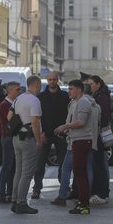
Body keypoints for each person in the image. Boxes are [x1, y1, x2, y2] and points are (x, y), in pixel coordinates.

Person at [54, 80, 97, 215]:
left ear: (79, 90)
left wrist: (65, 126)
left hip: (82, 141)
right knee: (79, 173)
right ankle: (82, 202)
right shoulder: (76, 103)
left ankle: (84, 204)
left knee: (81, 174)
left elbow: (81, 122)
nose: (69, 91)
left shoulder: (83, 102)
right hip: (76, 140)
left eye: (71, 89)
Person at [9, 75, 43, 214]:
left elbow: (9, 117)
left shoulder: (18, 98)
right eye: (39, 85)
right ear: (36, 85)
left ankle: (14, 200)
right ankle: (21, 203)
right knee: (27, 173)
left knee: (19, 171)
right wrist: (38, 140)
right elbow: (35, 122)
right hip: (28, 139)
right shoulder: (34, 101)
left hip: (17, 138)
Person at [33, 71, 69, 199]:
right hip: (45, 134)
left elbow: (69, 115)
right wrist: (40, 133)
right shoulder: (41, 97)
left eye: (54, 79)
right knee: (39, 163)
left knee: (63, 163)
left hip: (61, 134)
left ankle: (65, 188)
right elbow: (37, 117)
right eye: (50, 80)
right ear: (47, 81)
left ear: (57, 80)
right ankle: (37, 188)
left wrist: (66, 129)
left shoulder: (65, 96)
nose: (52, 82)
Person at [87, 75, 112, 204]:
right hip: (98, 134)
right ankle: (100, 192)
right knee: (98, 164)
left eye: (91, 84)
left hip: (100, 135)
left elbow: (102, 117)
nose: (89, 86)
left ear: (98, 84)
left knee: (100, 165)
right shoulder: (97, 96)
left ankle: (102, 194)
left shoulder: (101, 97)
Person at [0, 81, 22, 203]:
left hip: (13, 137)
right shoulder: (4, 105)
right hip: (8, 138)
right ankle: (2, 193)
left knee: (13, 167)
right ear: (10, 91)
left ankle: (10, 191)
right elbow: (10, 122)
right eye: (17, 90)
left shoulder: (13, 103)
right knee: (7, 166)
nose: (19, 92)